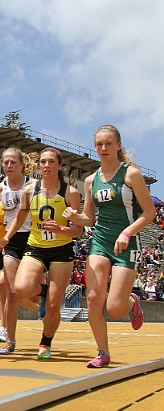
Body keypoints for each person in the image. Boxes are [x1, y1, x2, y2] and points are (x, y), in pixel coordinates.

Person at [62, 125, 155, 368]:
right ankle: (102, 352)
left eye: (109, 144)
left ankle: (132, 303)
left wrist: (127, 231)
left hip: (127, 241)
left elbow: (149, 212)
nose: (104, 148)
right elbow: (89, 219)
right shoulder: (91, 180)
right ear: (95, 147)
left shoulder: (130, 174)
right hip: (101, 242)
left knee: (114, 309)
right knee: (93, 298)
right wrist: (73, 216)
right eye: (100, 144)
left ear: (118, 146)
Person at [0, 147, 83, 360]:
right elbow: (19, 217)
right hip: (35, 248)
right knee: (20, 288)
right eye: (43, 162)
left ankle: (45, 341)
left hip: (61, 251)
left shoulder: (70, 193)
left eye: (51, 162)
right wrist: (7, 236)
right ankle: (45, 291)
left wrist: (61, 229)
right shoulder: (30, 190)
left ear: (59, 165)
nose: (46, 165)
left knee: (54, 307)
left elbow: (78, 231)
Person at [0, 148, 40, 355]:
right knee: (11, 292)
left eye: (13, 162)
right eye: (5, 162)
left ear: (22, 165)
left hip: (33, 238)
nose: (8, 166)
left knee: (26, 292)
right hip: (10, 240)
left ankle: (43, 301)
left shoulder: (34, 185)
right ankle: (10, 340)